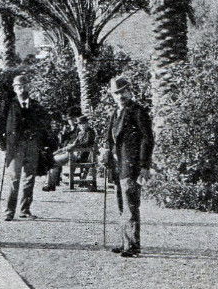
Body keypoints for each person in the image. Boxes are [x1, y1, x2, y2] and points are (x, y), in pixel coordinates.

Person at [100, 76, 153, 258]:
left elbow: (148, 139)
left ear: (130, 91)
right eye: (116, 93)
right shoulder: (115, 114)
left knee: (131, 204)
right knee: (121, 204)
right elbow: (109, 137)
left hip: (132, 165)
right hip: (117, 165)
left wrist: (145, 165)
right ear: (113, 96)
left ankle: (133, 245)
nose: (120, 96)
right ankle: (124, 242)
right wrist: (106, 151)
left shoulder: (138, 111)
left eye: (123, 91)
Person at [0, 74, 48, 221]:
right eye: (19, 86)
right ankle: (8, 212)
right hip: (15, 147)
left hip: (32, 146)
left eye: (24, 86)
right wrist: (3, 144)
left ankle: (25, 210)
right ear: (15, 88)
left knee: (29, 178)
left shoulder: (36, 105)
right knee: (14, 178)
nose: (22, 89)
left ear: (29, 87)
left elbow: (43, 125)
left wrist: (40, 142)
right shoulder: (8, 105)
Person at [44, 108, 96, 191]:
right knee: (53, 162)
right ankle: (50, 184)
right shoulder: (80, 133)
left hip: (80, 155)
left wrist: (74, 146)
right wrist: (69, 146)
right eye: (80, 124)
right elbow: (74, 143)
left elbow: (87, 143)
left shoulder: (90, 132)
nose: (82, 125)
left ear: (87, 123)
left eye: (84, 124)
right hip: (73, 153)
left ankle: (50, 184)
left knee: (53, 161)